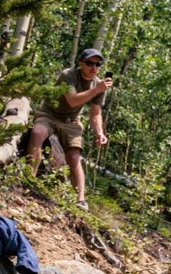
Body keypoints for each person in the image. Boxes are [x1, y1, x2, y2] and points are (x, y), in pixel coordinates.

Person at [26, 48, 112, 210]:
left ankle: (80, 200)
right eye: (89, 63)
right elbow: (72, 100)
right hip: (49, 114)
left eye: (98, 64)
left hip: (71, 121)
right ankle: (28, 179)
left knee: (74, 156)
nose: (94, 68)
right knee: (37, 133)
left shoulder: (98, 85)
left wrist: (100, 133)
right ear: (81, 64)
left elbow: (95, 114)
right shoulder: (69, 75)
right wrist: (96, 90)